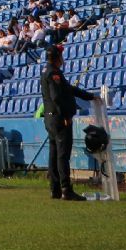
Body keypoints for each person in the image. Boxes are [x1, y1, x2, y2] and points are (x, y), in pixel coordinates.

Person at [40, 45, 94, 201]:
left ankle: (55, 189)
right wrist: (64, 114)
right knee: (63, 155)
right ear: (57, 58)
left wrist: (89, 96)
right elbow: (57, 96)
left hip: (50, 118)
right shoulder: (54, 73)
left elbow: (68, 89)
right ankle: (66, 189)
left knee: (54, 154)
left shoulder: (46, 71)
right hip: (59, 118)